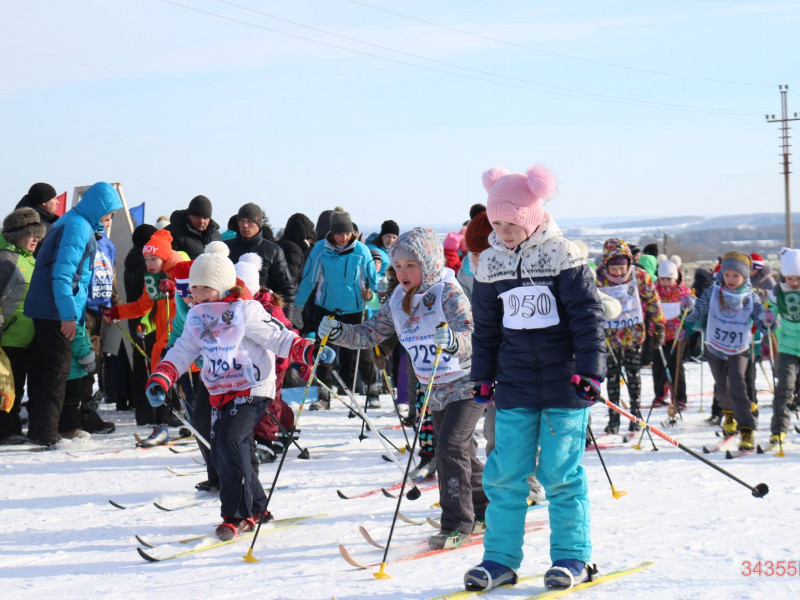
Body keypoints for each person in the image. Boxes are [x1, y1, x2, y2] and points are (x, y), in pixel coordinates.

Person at [465, 164, 606, 591]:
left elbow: (587, 317)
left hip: (565, 384)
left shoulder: (563, 254)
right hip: (515, 385)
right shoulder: (488, 264)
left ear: (530, 216)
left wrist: (589, 370)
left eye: (511, 223)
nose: (504, 232)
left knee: (561, 475)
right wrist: (483, 376)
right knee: (505, 475)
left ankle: (571, 557)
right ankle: (500, 560)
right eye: (497, 223)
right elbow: (485, 329)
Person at [144, 242, 335, 540]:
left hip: (253, 387)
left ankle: (237, 514)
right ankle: (258, 506)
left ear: (221, 286)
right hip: (221, 390)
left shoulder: (245, 311)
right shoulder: (196, 317)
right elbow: (182, 351)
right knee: (232, 447)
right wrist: (162, 378)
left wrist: (308, 351)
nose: (197, 294)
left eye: (205, 288)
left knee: (228, 443)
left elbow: (278, 337)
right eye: (194, 288)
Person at [318, 227, 487, 550]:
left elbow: (473, 336)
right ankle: (485, 510)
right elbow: (371, 334)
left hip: (467, 382)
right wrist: (338, 331)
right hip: (435, 386)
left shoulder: (447, 293)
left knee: (449, 447)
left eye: (411, 265)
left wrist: (453, 342)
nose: (403, 273)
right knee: (460, 451)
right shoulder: (397, 299)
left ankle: (457, 523)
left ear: (429, 263)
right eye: (398, 266)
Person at [23, 182, 122, 447]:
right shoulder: (78, 228)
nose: (110, 218)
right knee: (56, 372)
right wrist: (67, 316)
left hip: (54, 308)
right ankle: (46, 434)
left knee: (58, 370)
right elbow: (63, 275)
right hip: (55, 311)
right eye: (109, 212)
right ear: (99, 207)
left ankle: (57, 428)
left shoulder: (78, 224)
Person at [103, 229, 189, 440]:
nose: (149, 263)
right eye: (147, 258)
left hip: (187, 338)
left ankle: (197, 423)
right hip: (163, 339)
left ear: (165, 256)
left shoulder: (183, 268)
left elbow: (199, 294)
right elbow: (142, 306)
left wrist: (177, 287)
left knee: (189, 384)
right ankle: (161, 426)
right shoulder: (151, 276)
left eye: (154, 258)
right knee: (159, 381)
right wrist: (118, 312)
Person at [682, 251, 768, 450]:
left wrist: (769, 320)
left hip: (739, 348)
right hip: (715, 346)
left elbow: (763, 325)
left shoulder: (751, 297)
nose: (731, 279)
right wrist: (686, 308)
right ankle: (729, 414)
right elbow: (696, 314)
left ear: (744, 276)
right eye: (727, 274)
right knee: (722, 387)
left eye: (736, 276)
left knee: (737, 384)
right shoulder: (713, 291)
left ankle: (747, 428)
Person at [295, 210, 377, 410]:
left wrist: (371, 297)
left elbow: (372, 282)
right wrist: (297, 306)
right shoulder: (320, 250)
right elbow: (308, 280)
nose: (344, 237)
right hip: (326, 308)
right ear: (332, 232)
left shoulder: (361, 251)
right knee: (324, 351)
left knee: (360, 351)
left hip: (355, 309)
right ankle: (324, 394)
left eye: (348, 233)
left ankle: (372, 388)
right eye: (340, 233)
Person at [595, 238, 665, 434]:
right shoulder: (598, 278)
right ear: (606, 263)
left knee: (634, 374)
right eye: (614, 268)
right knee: (612, 376)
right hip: (608, 337)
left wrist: (657, 326)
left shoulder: (639, 276)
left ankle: (635, 415)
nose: (618, 272)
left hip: (633, 334)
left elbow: (653, 302)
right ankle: (614, 418)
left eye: (622, 267)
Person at [0, 208, 45, 444]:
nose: (35, 239)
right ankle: (6, 430)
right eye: (31, 234)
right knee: (7, 388)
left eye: (38, 234)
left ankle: (12, 427)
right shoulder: (6, 260)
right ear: (17, 235)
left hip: (24, 337)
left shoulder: (29, 259)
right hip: (8, 337)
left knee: (16, 387)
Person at [224, 203, 295, 321]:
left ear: (258, 224)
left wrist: (286, 322)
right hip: (229, 315)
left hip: (263, 316)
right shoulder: (226, 248)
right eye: (241, 221)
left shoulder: (273, 250)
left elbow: (286, 289)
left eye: (250, 221)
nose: (245, 225)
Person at [764, 247, 800, 448]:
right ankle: (778, 431)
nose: (794, 283)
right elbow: (768, 308)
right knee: (784, 388)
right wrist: (768, 317)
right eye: (790, 278)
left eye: (799, 279)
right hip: (786, 346)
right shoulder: (778, 292)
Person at [652, 259, 693, 409]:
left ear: (675, 278)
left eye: (668, 279)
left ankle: (680, 397)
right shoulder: (654, 291)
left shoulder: (684, 292)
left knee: (676, 365)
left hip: (677, 333)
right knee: (658, 365)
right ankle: (660, 394)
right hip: (659, 332)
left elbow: (692, 311)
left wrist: (690, 309)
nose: (665, 282)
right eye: (662, 279)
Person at [165, 195, 221, 259]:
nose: (201, 221)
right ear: (189, 215)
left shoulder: (215, 235)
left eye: (205, 218)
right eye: (197, 217)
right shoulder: (171, 233)